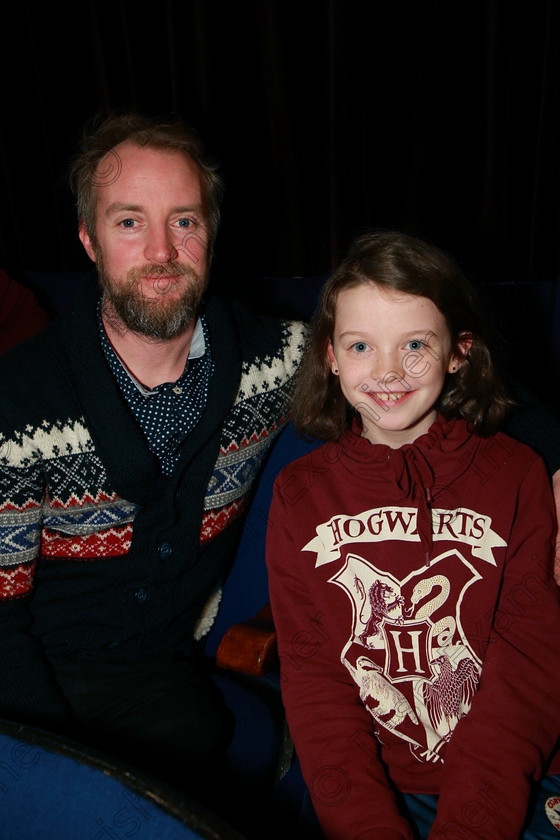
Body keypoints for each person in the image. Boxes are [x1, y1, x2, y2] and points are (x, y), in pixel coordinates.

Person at [0, 113, 305, 803]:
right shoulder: (19, 407)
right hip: (26, 674)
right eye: (130, 222)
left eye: (186, 221)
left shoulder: (275, 363)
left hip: (151, 678)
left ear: (210, 234)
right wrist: (54, 771)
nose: (162, 250)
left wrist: (552, 459)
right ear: (89, 239)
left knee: (186, 735)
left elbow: (420, 360)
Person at [266, 230, 560, 840]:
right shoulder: (299, 495)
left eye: (416, 345)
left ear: (460, 351)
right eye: (361, 346)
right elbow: (316, 682)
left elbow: (528, 671)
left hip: (514, 782)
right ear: (330, 354)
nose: (389, 372)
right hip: (373, 788)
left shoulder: (516, 474)